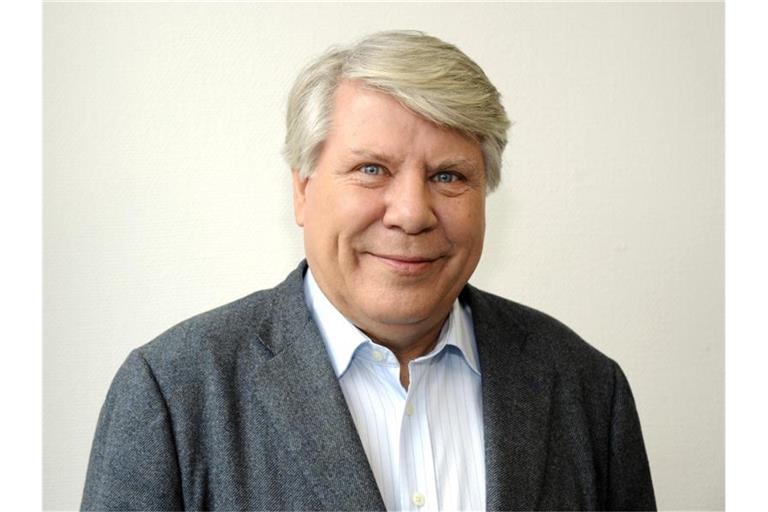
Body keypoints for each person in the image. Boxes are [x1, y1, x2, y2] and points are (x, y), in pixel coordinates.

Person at [81, 30, 656, 511]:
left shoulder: (586, 389)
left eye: (449, 176)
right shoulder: (172, 394)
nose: (411, 213)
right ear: (302, 190)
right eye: (372, 169)